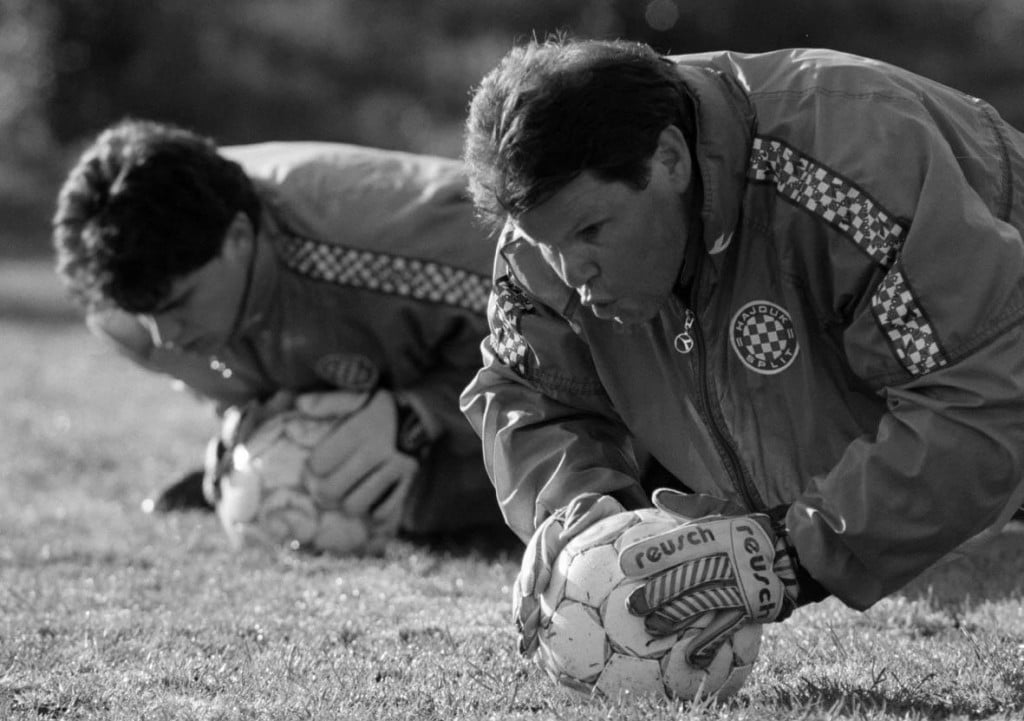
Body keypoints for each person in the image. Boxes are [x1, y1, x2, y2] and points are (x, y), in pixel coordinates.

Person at [459, 37, 1024, 660]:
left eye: (591, 231)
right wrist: (578, 518)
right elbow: (533, 396)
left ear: (671, 160)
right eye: (544, 243)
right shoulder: (543, 230)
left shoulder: (857, 161)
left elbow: (983, 390)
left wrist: (790, 554)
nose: (570, 272)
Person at [52, 117, 510, 549]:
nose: (164, 336)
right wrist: (252, 417)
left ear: (237, 238)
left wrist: (421, 417)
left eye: (178, 304)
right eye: (144, 314)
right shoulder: (127, 316)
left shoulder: (406, 243)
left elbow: (557, 340)